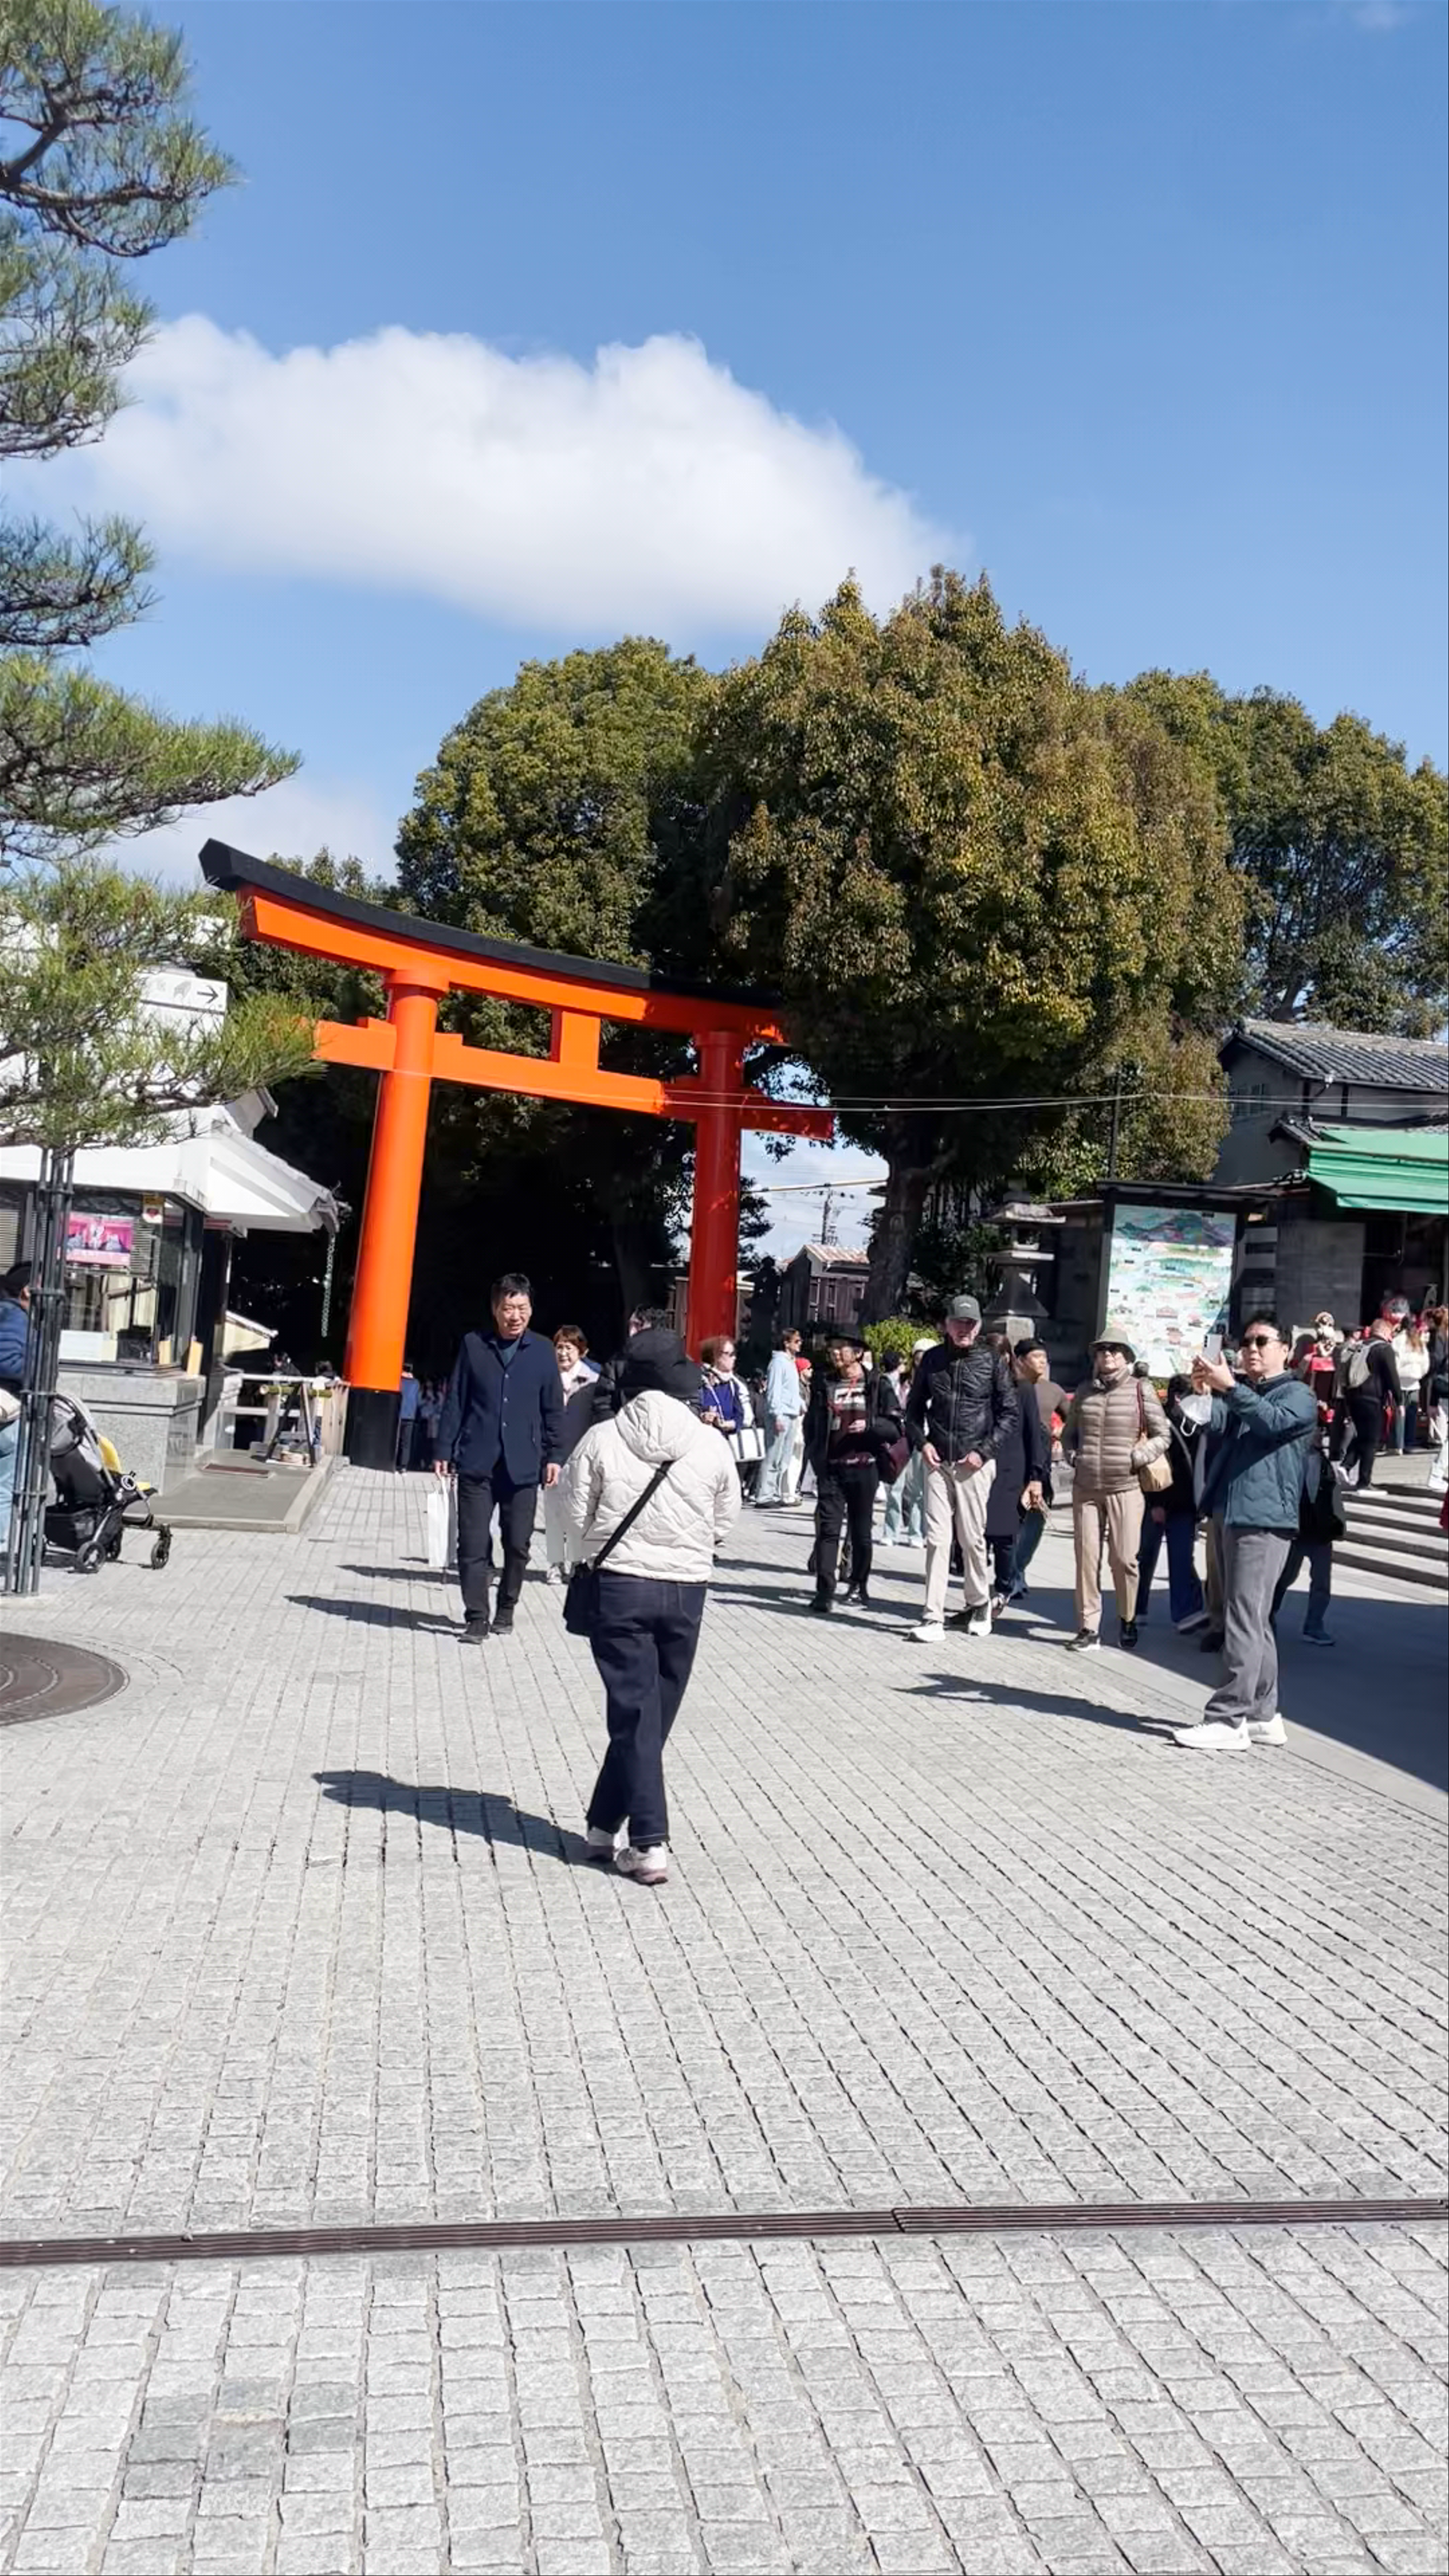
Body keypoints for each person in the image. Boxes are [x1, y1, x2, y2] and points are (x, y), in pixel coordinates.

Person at [564, 1328, 739, 1886]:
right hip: (687, 1589)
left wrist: (590, 1547)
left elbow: (569, 1514)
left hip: (619, 1585)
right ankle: (609, 1828)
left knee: (637, 1715)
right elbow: (727, 1518)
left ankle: (644, 1841)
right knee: (651, 1714)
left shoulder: (603, 1437)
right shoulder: (711, 1442)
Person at [1168, 1315, 1317, 1752]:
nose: (1251, 1348)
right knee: (1253, 1619)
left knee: (1242, 1618)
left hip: (1264, 1519)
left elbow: (1271, 1422)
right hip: (1232, 1512)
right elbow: (1209, 1422)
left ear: (1285, 1348)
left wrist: (1231, 1387)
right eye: (1246, 1341)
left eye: (1261, 1341)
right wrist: (1202, 1389)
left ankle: (1227, 1717)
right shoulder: (1249, 1393)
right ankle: (1263, 1715)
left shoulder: (1298, 1394)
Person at [435, 1272, 565, 1640]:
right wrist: (444, 1447)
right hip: (478, 1459)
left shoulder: (542, 1351)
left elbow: (553, 1409)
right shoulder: (474, 1345)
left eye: (522, 1308)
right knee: (472, 1542)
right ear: (495, 1309)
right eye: (508, 1308)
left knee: (517, 1543)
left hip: (523, 1463)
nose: (515, 1315)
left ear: (531, 1309)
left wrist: (555, 1455)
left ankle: (506, 1607)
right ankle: (477, 1615)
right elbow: (456, 1399)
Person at [905, 1294, 1017, 1644]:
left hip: (974, 1463)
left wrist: (985, 1452)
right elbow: (912, 1411)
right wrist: (922, 1443)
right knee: (937, 1539)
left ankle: (980, 1603)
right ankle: (932, 1616)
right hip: (938, 1460)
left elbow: (1009, 1412)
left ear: (980, 1327)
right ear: (947, 1325)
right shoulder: (933, 1360)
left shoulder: (992, 1361)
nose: (964, 1329)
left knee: (971, 1537)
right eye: (959, 1323)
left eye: (971, 1324)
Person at [1060, 1328, 1169, 1654]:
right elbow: (1069, 1435)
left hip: (1126, 1486)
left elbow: (1163, 1435)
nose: (1107, 1355)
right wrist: (1072, 1456)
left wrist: (1137, 1457)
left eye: (1115, 1350)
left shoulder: (1141, 1390)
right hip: (1087, 1487)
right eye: (1102, 1350)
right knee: (1086, 1558)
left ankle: (1128, 1616)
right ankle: (1088, 1626)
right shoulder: (1084, 1392)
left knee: (1123, 1559)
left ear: (1127, 1356)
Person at [802, 1333, 900, 1612]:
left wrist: (870, 1426)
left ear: (857, 1353)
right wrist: (815, 1455)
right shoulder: (825, 1382)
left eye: (840, 1348)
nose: (834, 1353)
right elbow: (812, 1423)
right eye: (832, 1348)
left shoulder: (877, 1384)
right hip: (831, 1468)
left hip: (864, 1466)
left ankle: (859, 1584)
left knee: (861, 1532)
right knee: (828, 1530)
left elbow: (895, 1427)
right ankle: (825, 1590)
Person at [1135, 1376, 1208, 1630]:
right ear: (1179, 1397)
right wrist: (1156, 1502)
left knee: (1181, 1558)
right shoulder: (1163, 1423)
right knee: (1145, 1556)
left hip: (1187, 1504)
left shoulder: (1199, 1424)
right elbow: (1154, 1465)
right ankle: (1136, 1608)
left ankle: (1186, 1611)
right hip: (1159, 1501)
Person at [984, 1351, 1052, 1618]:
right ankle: (980, 1595)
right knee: (977, 1535)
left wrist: (1036, 1476)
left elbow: (1035, 1433)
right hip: (984, 1467)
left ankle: (1008, 1583)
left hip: (1017, 1471)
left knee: (1007, 1535)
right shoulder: (981, 1389)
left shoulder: (1026, 1389)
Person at [1003, 1340, 1068, 1601]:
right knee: (1010, 1522)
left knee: (1036, 1518)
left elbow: (1074, 1417)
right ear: (1020, 1359)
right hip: (1010, 1460)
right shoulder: (1007, 1386)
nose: (1043, 1361)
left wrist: (1063, 1431)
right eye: (1036, 1356)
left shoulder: (1053, 1390)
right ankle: (1011, 1573)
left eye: (1045, 1357)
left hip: (1039, 1462)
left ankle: (1017, 1570)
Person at [1271, 1415, 1343, 1646]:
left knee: (1322, 1582)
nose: (1320, 1434)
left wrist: (1337, 1523)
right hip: (1296, 1530)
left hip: (1320, 1532)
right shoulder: (1289, 1459)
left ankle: (1314, 1626)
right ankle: (1267, 1617)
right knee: (1284, 1578)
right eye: (1316, 1430)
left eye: (1321, 1430)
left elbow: (1333, 1497)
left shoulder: (1323, 1462)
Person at [542, 1326, 600, 1583]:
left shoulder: (593, 1382)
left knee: (579, 1513)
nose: (563, 1353)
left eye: (569, 1347)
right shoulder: (546, 1378)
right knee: (553, 1513)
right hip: (552, 1456)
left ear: (582, 1351)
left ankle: (577, 1562)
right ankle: (555, 1564)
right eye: (559, 1347)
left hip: (582, 1456)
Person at [881, 1340, 934, 1547]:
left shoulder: (936, 1380)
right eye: (918, 1358)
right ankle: (891, 1531)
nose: (921, 1362)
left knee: (919, 1491)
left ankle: (917, 1533)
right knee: (896, 1487)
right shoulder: (901, 1380)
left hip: (925, 1438)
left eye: (925, 1358)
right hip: (902, 1437)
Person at [1342, 1316, 1401, 1493]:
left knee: (1364, 1436)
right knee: (1372, 1440)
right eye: (1391, 1333)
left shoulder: (1360, 1346)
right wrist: (1400, 1401)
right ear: (1384, 1331)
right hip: (1373, 1398)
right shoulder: (1385, 1349)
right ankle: (1364, 1482)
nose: (1392, 1337)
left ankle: (1346, 1465)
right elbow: (1393, 1378)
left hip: (1353, 1397)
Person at [698, 1335, 759, 1490]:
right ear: (716, 1357)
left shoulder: (733, 1384)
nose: (734, 1358)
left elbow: (740, 1416)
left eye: (734, 1354)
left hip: (726, 1444)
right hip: (703, 1445)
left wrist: (727, 1424)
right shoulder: (700, 1381)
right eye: (729, 1354)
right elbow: (692, 1407)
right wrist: (703, 1416)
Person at [0, 1261, 33, 1535]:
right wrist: (38, 1372)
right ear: (27, 1291)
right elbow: (8, 1361)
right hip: (7, 1408)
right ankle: (2, 1544)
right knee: (7, 1484)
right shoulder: (14, 1317)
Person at [755, 1328, 805, 1505]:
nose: (800, 1344)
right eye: (797, 1341)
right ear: (787, 1343)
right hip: (781, 1414)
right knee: (773, 1455)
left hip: (792, 1413)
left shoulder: (791, 1362)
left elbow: (792, 1389)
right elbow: (774, 1390)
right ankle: (764, 1495)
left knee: (785, 1457)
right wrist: (776, 1414)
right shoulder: (778, 1363)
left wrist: (800, 1404)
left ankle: (775, 1493)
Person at [1390, 1315, 1428, 1454]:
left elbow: (1395, 1363)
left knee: (1400, 1413)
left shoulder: (1397, 1341)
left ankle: (1398, 1444)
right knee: (1411, 1414)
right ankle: (1409, 1443)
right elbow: (1426, 1362)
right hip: (1414, 1382)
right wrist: (1419, 1375)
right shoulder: (1418, 1341)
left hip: (1400, 1381)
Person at [1426, 1304, 1449, 1493]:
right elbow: (1437, 1369)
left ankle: (1437, 1473)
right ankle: (1436, 1474)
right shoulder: (1440, 1339)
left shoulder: (1439, 1338)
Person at [395, 1364, 421, 1470]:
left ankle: (394, 1463)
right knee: (406, 1443)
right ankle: (404, 1466)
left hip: (399, 1414)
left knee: (396, 1440)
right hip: (410, 1415)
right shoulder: (416, 1383)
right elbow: (417, 1400)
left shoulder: (399, 1381)